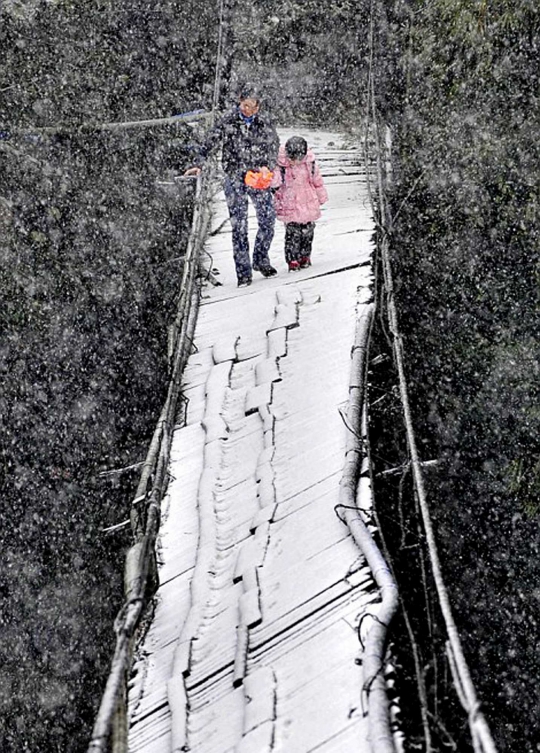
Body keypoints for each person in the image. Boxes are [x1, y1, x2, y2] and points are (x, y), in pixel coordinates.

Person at [184, 86, 279, 287]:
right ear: (239, 102)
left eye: (252, 107)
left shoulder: (265, 123)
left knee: (268, 219)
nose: (248, 111)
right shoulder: (228, 121)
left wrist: (267, 166)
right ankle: (243, 273)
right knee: (239, 225)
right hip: (234, 175)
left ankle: (261, 258)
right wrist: (198, 163)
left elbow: (273, 146)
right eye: (245, 106)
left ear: (258, 107)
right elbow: (210, 143)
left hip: (257, 176)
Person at [270, 136, 328, 271]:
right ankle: (292, 259)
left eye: (298, 158)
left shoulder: (310, 163)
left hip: (308, 201)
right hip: (289, 202)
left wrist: (321, 196)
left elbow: (317, 181)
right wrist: (273, 176)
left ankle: (305, 256)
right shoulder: (281, 165)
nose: (295, 161)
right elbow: (275, 182)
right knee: (292, 234)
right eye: (292, 158)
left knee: (308, 232)